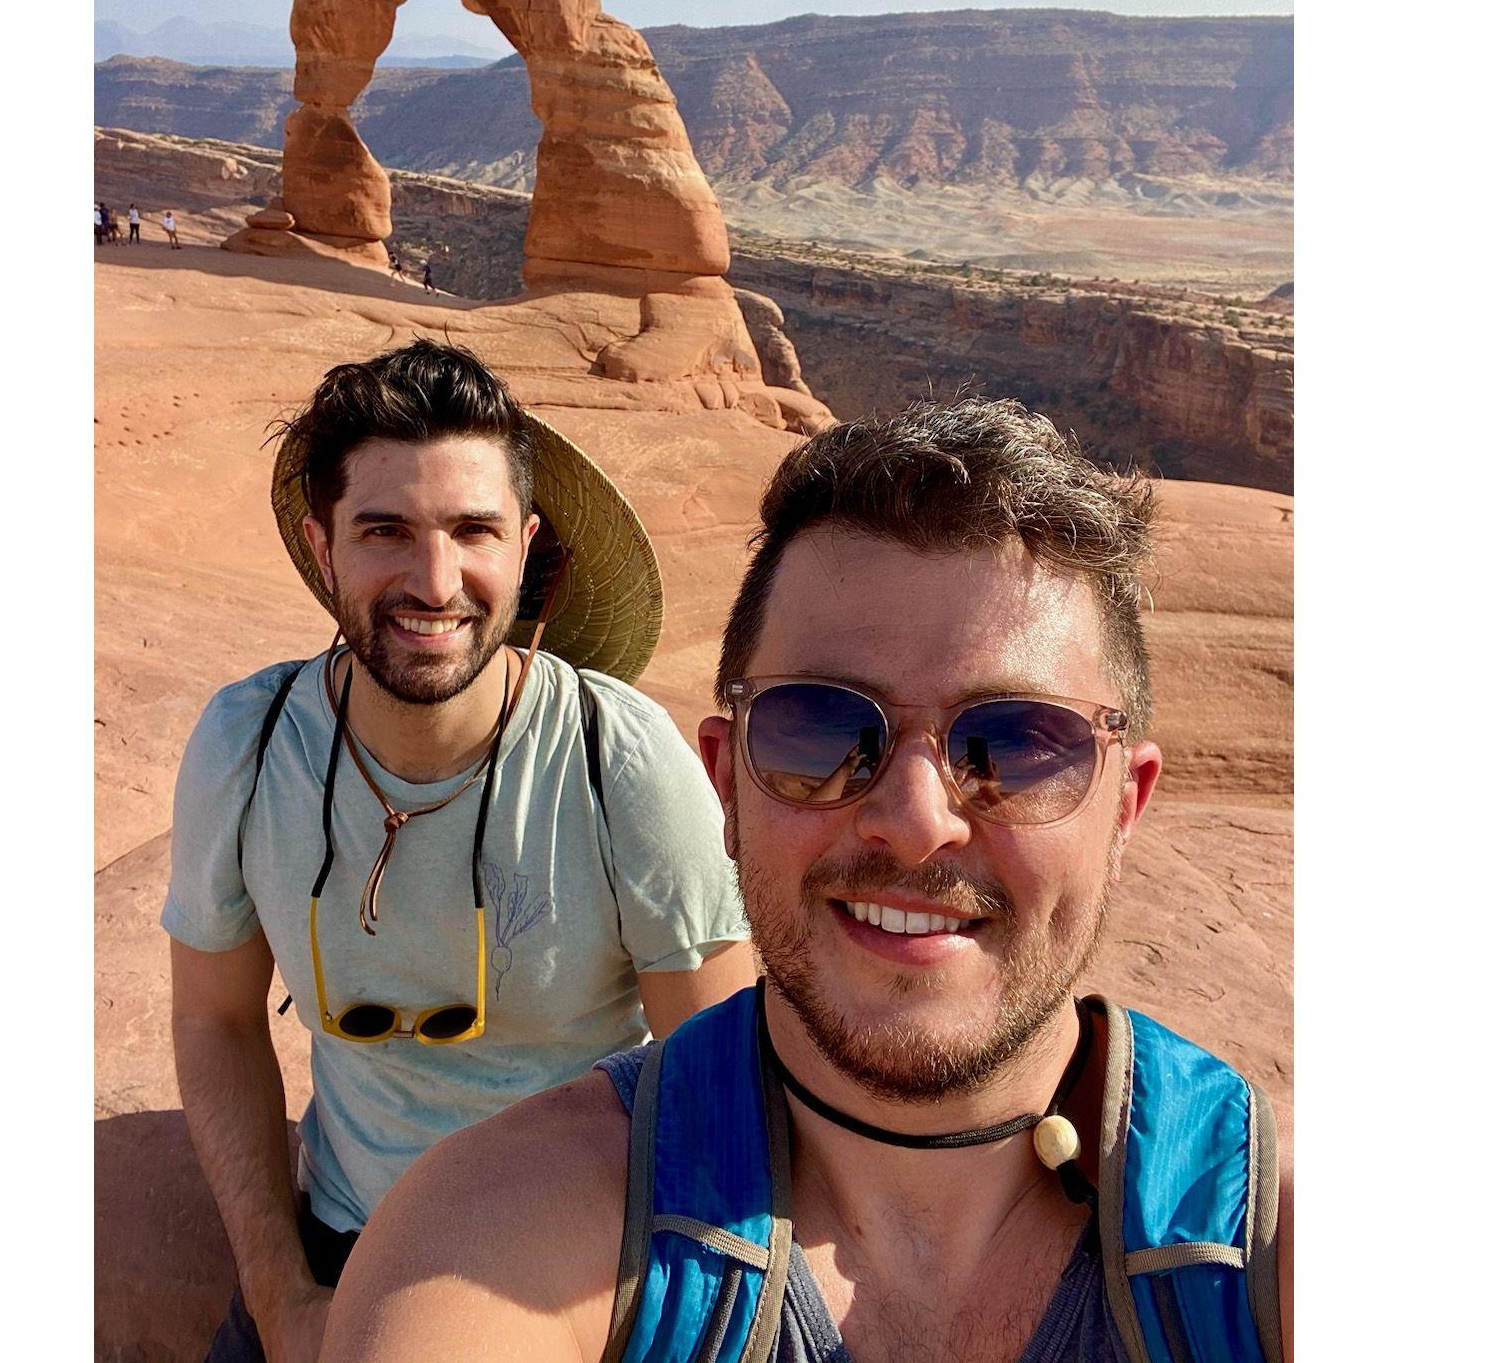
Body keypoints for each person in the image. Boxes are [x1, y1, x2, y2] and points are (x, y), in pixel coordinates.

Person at [325, 398, 1293, 1363]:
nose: (915, 823)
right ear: (725, 786)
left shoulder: (1264, 1250)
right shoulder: (500, 1238)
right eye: (820, 732)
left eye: (1013, 746)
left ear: (1125, 803)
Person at [165, 339, 753, 1363]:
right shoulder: (249, 741)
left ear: (525, 548)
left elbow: (720, 1079)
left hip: (572, 1275)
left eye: (471, 530)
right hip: (345, 1241)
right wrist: (279, 1298)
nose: (435, 582)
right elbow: (215, 1021)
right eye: (385, 530)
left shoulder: (618, 757)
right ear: (322, 548)